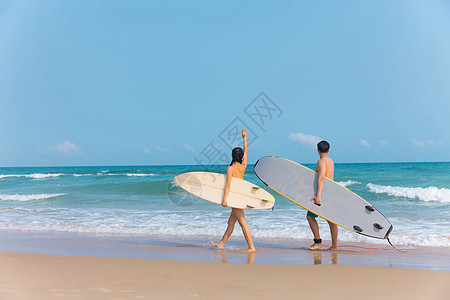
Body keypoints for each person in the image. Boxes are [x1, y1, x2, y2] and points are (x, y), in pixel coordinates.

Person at [211, 129, 256, 252]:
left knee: (242, 222)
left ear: (232, 156)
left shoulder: (230, 168)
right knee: (231, 222)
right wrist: (244, 138)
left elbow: (228, 185)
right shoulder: (243, 166)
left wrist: (225, 199)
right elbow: (246, 152)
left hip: (234, 198)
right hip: (240, 197)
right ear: (241, 157)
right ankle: (221, 243)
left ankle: (251, 247)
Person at [306, 140, 338, 250]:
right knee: (331, 220)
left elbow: (321, 178)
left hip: (322, 193)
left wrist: (318, 195)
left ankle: (317, 242)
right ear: (329, 150)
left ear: (318, 150)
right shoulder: (331, 161)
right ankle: (334, 245)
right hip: (330, 193)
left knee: (310, 217)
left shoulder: (321, 162)